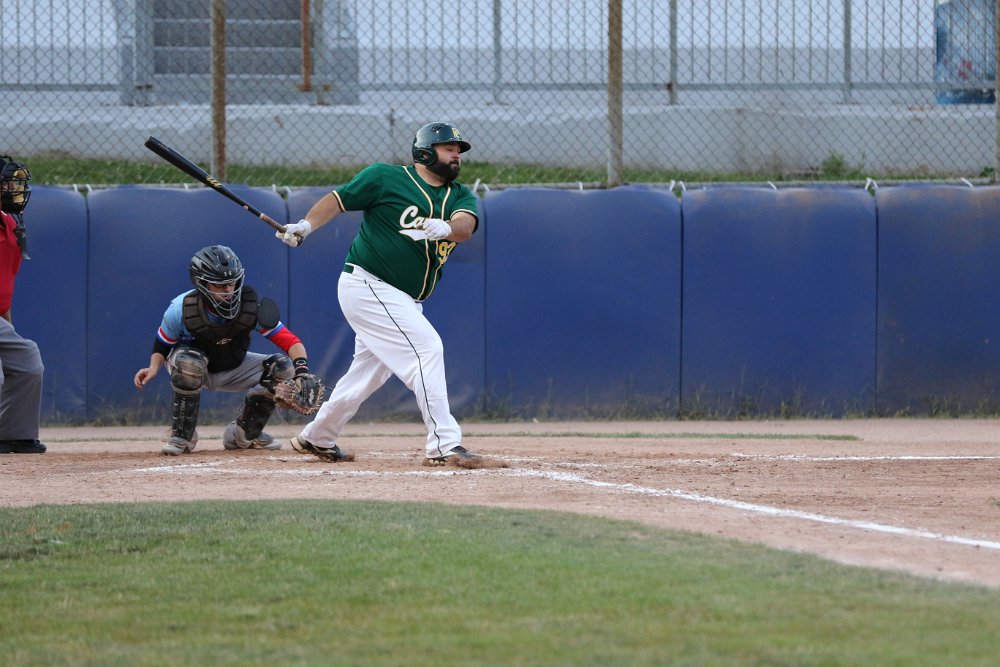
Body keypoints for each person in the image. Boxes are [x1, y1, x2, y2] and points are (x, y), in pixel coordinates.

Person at [276, 121, 485, 468]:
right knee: (427, 349)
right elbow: (337, 201)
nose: (456, 156)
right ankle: (444, 444)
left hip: (405, 300)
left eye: (458, 151)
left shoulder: (459, 195)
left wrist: (446, 227)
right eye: (448, 148)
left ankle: (318, 436)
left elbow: (465, 226)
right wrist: (306, 226)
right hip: (369, 284)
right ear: (424, 152)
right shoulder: (385, 178)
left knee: (368, 373)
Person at [134, 244, 315, 455]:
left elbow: (291, 342)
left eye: (232, 283)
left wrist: (302, 372)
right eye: (220, 285)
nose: (229, 290)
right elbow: (163, 343)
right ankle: (182, 435)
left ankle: (244, 435)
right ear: (201, 283)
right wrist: (153, 367)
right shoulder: (180, 309)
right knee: (191, 364)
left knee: (283, 367)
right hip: (191, 367)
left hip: (231, 363)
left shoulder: (250, 306)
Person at [0, 155, 46, 454]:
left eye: (15, 183)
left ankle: (13, 433)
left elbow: (4, 286)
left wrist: (8, 329)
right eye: (7, 183)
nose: (14, 189)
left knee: (27, 360)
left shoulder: (10, 225)